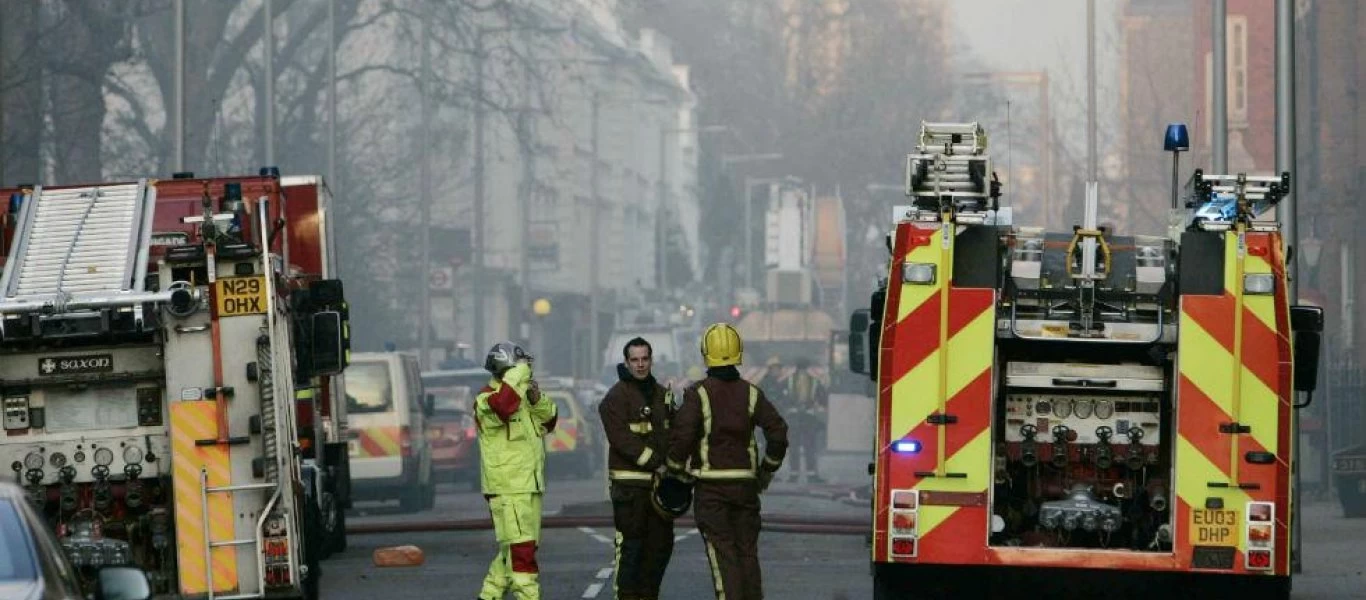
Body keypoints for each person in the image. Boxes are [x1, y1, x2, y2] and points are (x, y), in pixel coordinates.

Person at [667, 323, 788, 600]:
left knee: (723, 556)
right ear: (738, 353)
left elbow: (682, 438)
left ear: (706, 355)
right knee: (747, 553)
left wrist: (676, 470)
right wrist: (766, 471)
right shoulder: (752, 394)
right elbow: (778, 433)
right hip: (745, 488)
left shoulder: (698, 394)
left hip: (711, 491)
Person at [474, 341, 557, 600]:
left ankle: (489, 595)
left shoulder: (519, 396)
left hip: (529, 485)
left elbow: (550, 421)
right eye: (520, 366)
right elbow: (504, 406)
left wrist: (536, 398)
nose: (527, 370)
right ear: (507, 368)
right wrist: (519, 372)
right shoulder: (487, 399)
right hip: (507, 488)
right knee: (521, 552)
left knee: (519, 548)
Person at [598, 337, 676, 600]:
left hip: (659, 489)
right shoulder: (615, 398)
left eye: (645, 359)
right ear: (627, 363)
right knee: (632, 550)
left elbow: (673, 433)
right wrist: (656, 462)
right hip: (630, 489)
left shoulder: (663, 395)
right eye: (635, 360)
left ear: (651, 361)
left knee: (660, 548)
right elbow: (621, 439)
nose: (640, 364)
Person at [783, 357, 829, 483]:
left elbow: (782, 398)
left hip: (797, 417)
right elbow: (823, 399)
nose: (802, 372)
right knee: (807, 446)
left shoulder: (789, 380)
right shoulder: (814, 381)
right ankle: (809, 475)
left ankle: (795, 475)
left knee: (798, 446)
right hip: (804, 417)